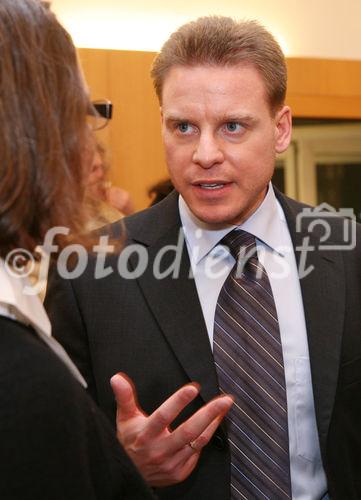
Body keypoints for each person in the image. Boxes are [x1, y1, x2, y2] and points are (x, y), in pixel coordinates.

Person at [45, 15, 361, 500]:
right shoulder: (89, 270)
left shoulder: (349, 250)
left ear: (281, 130)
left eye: (233, 126)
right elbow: (51, 456)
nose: (205, 153)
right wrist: (122, 464)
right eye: (184, 127)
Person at [0, 3, 233, 499]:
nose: (90, 147)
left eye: (234, 125)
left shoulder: (342, 254)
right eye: (84, 114)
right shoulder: (22, 365)